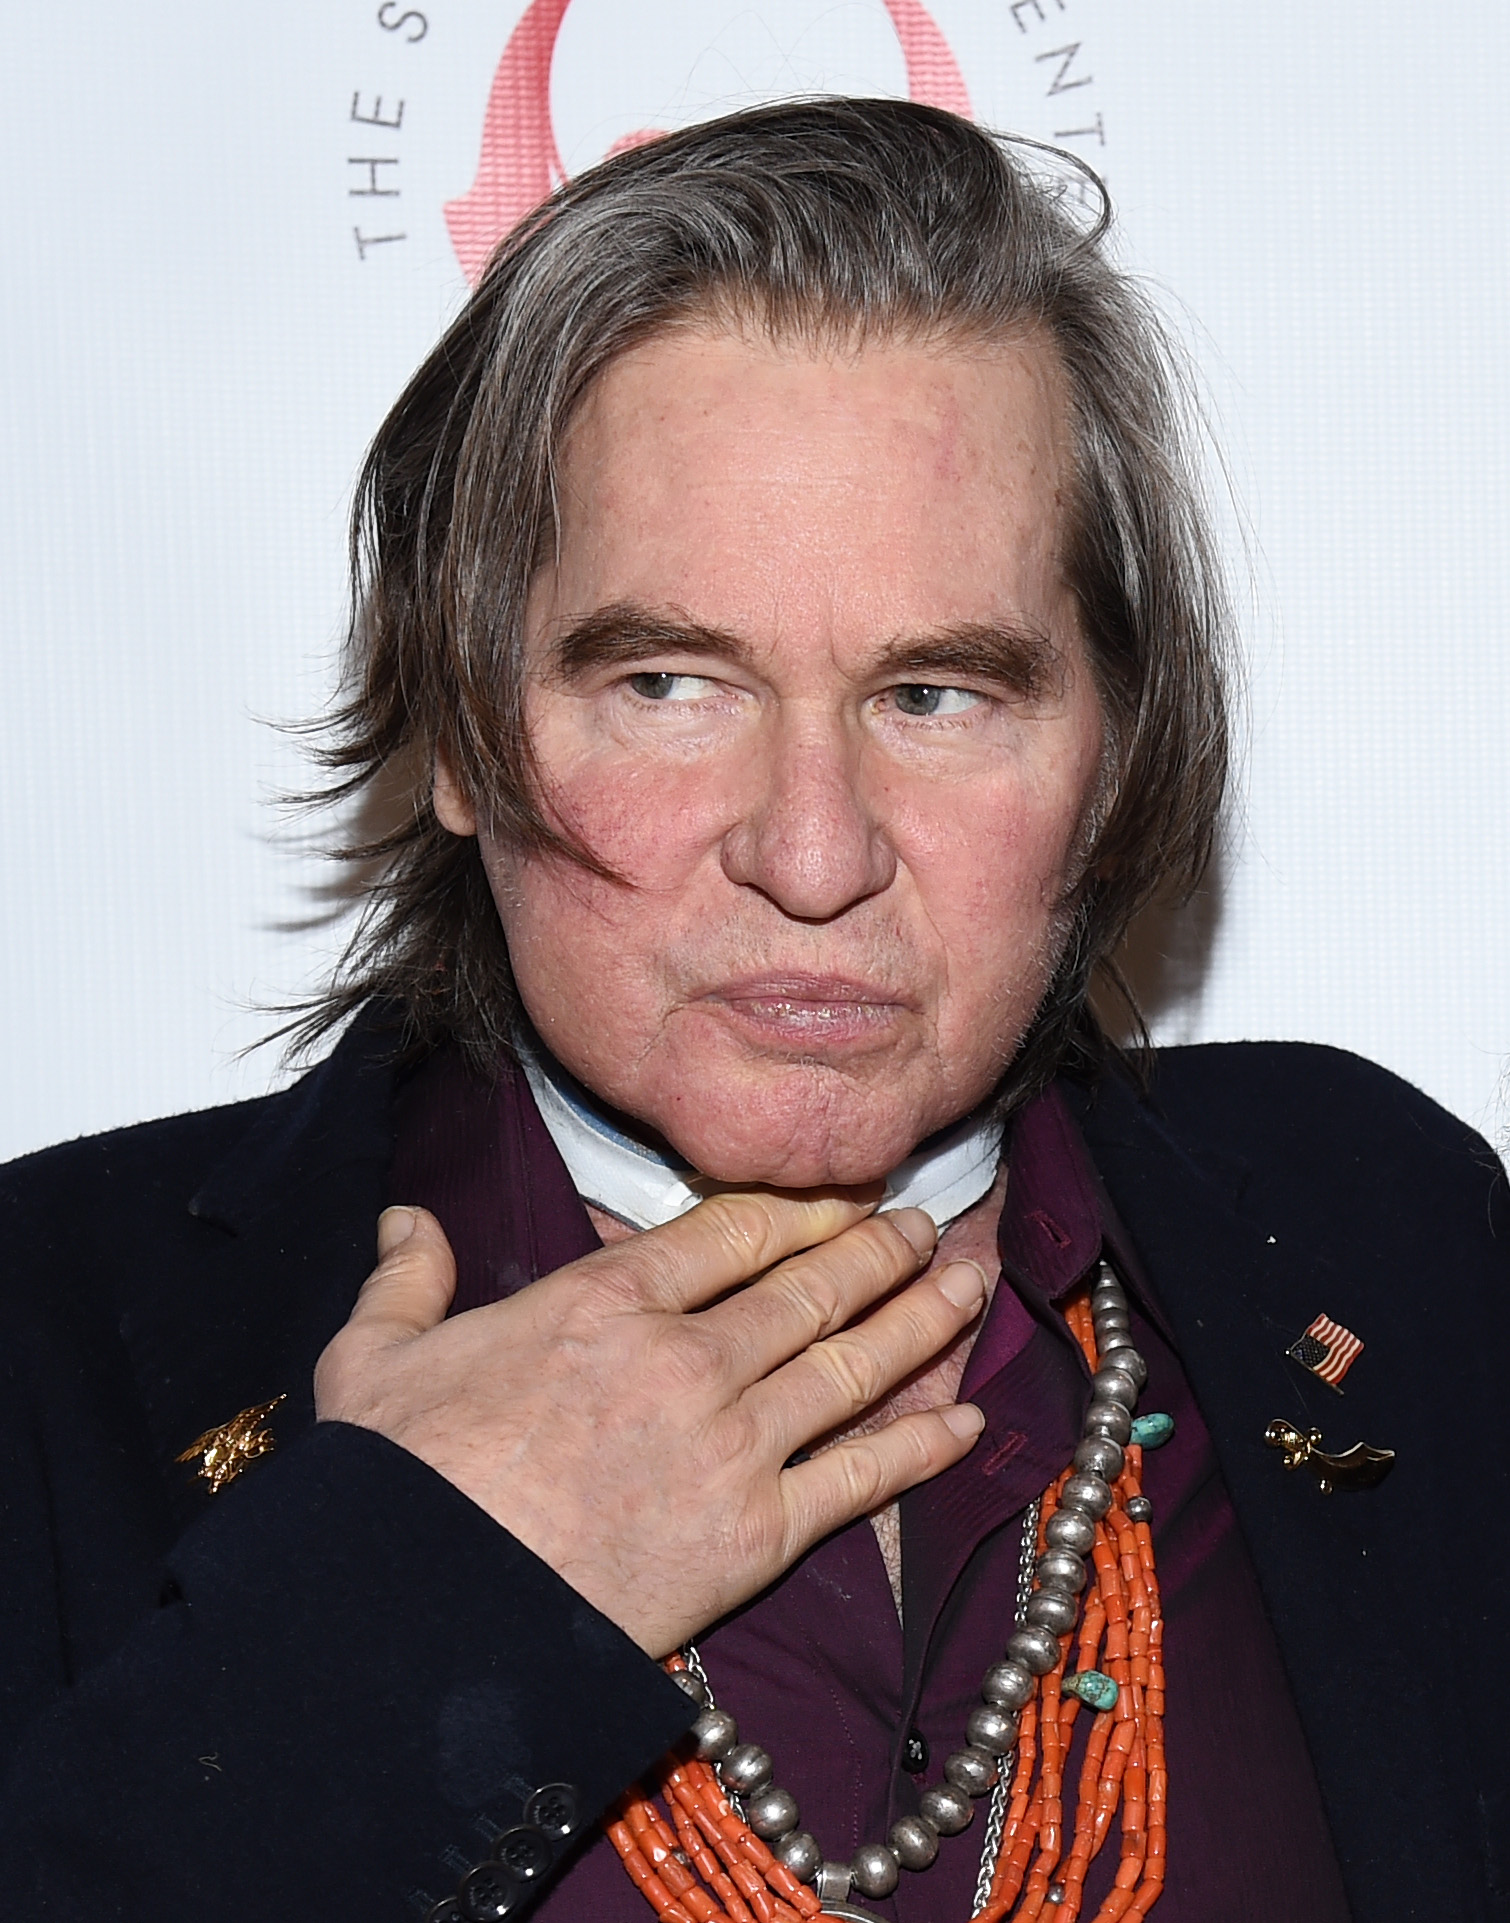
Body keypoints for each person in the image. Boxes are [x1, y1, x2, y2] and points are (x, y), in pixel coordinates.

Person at [0, 99, 1503, 1923]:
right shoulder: (50, 1333)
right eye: (666, 683)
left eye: (935, 695)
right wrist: (416, 1599)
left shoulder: (1389, 1242)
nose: (811, 855)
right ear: (458, 731)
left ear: (1111, 759)